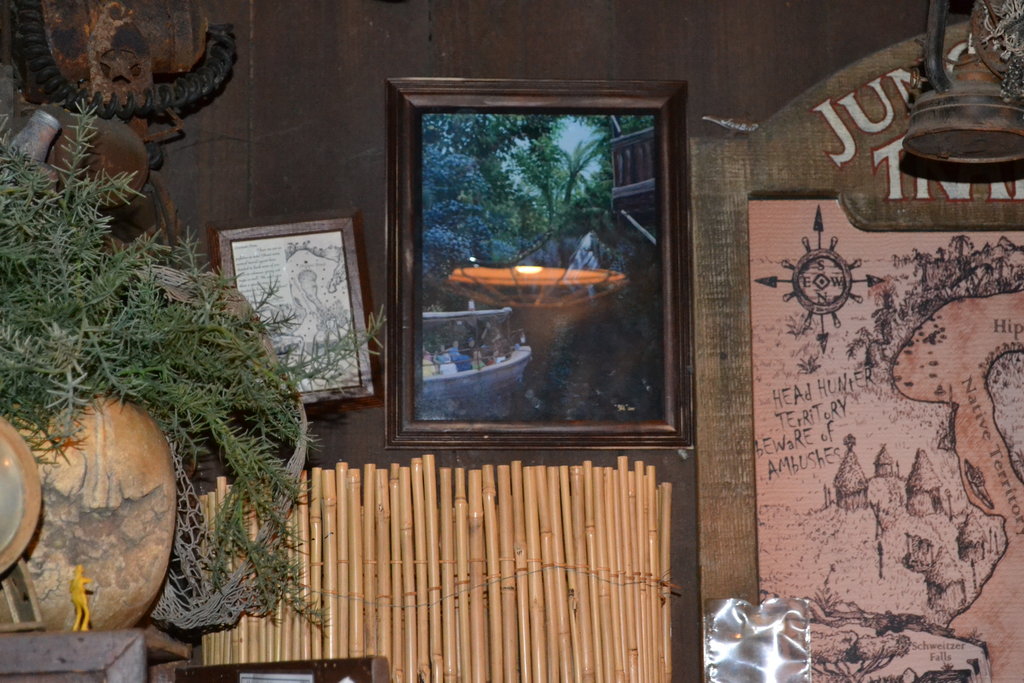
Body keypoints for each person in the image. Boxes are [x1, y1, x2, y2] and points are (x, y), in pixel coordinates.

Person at [70, 564, 93, 631]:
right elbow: (89, 581)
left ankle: (75, 627)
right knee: (86, 612)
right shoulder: (82, 580)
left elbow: (70, 590)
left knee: (79, 613)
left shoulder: (73, 581)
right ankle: (84, 626)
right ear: (81, 571)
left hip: (75, 598)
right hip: (81, 597)